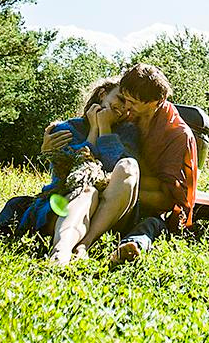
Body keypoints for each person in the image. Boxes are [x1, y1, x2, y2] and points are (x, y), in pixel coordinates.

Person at [0, 77, 138, 259]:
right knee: (18, 204)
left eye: (128, 107)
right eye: (119, 99)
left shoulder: (127, 133)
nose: (123, 109)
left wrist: (105, 128)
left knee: (89, 192)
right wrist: (94, 128)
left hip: (103, 209)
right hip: (64, 200)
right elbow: (73, 169)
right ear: (102, 94)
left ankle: (74, 247)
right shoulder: (66, 129)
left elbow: (116, 169)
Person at [75, 63, 198, 265]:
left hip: (142, 205)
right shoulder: (125, 114)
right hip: (100, 189)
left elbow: (167, 199)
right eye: (125, 99)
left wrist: (118, 190)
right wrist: (51, 142)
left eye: (133, 103)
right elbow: (88, 133)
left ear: (157, 102)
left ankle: (131, 247)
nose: (126, 107)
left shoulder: (177, 136)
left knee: (151, 225)